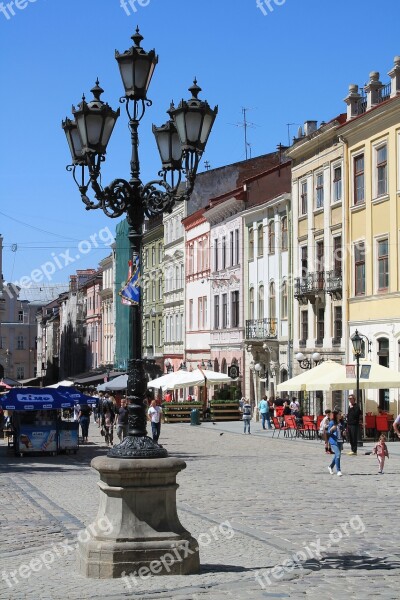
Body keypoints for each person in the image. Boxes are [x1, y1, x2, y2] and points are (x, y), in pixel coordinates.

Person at [327, 410, 344, 476]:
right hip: (333, 441)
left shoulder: (341, 422)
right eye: (339, 414)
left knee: (337, 455)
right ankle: (338, 470)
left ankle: (330, 467)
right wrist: (332, 429)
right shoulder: (332, 422)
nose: (340, 415)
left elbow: (342, 430)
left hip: (340, 440)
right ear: (336, 415)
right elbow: (328, 432)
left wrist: (344, 433)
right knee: (338, 454)